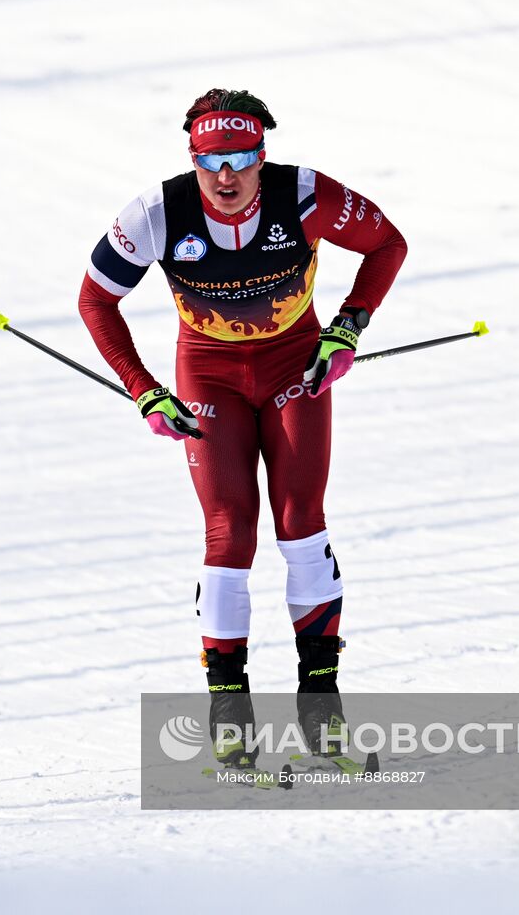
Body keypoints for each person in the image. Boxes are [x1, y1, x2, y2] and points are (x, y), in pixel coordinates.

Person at [78, 88, 407, 769]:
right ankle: (230, 711)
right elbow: (96, 299)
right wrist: (145, 392)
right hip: (211, 377)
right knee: (230, 528)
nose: (225, 177)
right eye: (210, 161)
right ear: (193, 158)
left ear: (262, 156)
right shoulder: (156, 213)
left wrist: (347, 328)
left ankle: (322, 706)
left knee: (300, 521)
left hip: (294, 366)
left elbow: (387, 245)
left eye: (241, 158)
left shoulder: (306, 195)